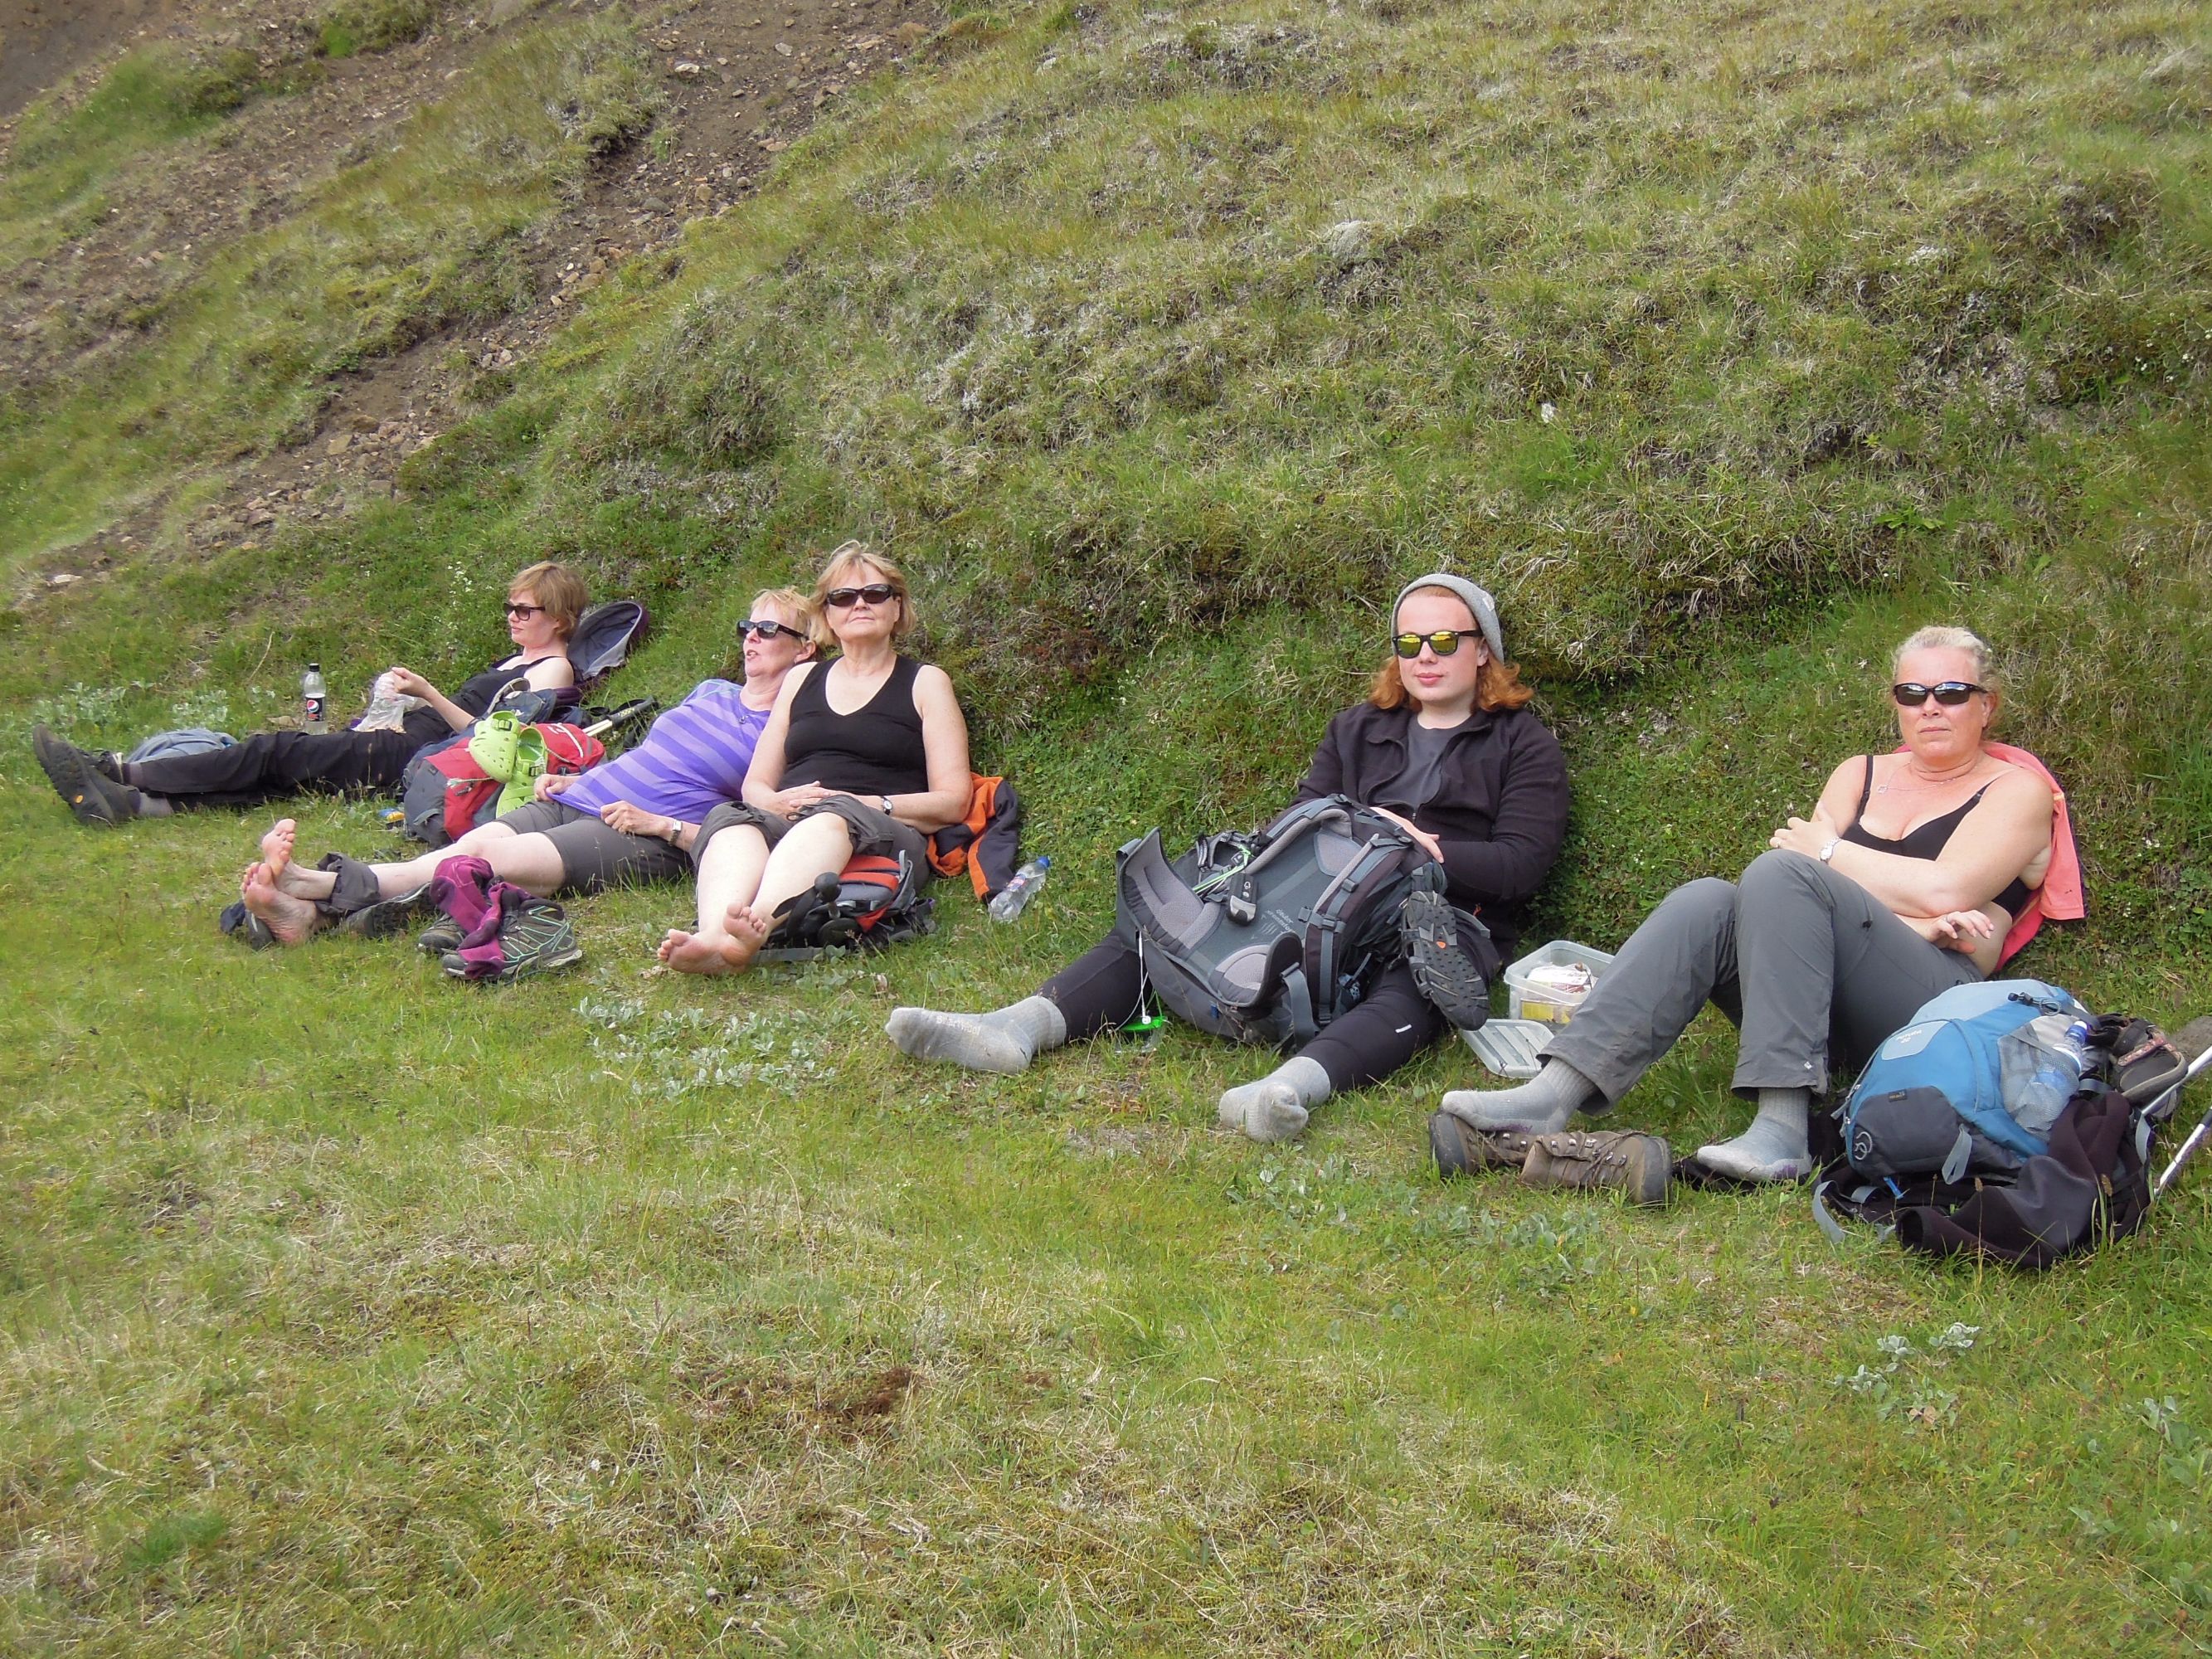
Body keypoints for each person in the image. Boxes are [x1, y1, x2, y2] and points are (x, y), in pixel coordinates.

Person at [886, 573, 1572, 1143]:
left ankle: (1283, 1090)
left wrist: (1421, 848)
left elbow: (1519, 868)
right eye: (1409, 642)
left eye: (1445, 640)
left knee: (1422, 982)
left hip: (1444, 915)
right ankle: (1015, 1028)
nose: (1425, 655)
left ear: (1482, 651)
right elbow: (1301, 820)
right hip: (1319, 893)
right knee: (1168, 926)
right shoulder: (1357, 728)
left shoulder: (1523, 745)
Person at [1437, 624, 2059, 1184]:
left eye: (1951, 692)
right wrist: (1912, 919)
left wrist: (1831, 855)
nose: (1930, 707)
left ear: (1987, 705)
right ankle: (1553, 1091)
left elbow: (1944, 889)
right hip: (1819, 1001)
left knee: (1784, 874)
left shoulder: (2017, 791)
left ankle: (1784, 1127)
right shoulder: (1860, 774)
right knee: (1708, 900)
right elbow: (1815, 891)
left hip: (1929, 1012)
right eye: (1912, 693)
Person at [236, 590, 819, 947]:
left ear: (806, 648)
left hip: (640, 830)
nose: (751, 638)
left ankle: (318, 888)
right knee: (476, 841)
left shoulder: (798, 727)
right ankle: (310, 913)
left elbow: (760, 824)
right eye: (747, 627)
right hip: (586, 792)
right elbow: (652, 755)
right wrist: (582, 778)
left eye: (768, 629)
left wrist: (668, 829)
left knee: (489, 861)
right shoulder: (713, 690)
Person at [32, 562, 585, 825]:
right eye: (510, 607)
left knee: (275, 751)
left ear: (559, 619)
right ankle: (134, 805)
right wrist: (403, 702)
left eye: (525, 610)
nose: (512, 617)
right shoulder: (515, 661)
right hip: (412, 739)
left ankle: (118, 770)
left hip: (418, 754)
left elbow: (492, 738)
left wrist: (427, 692)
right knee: (282, 780)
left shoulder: (553, 670)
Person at [657, 542, 974, 975]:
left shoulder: (925, 682)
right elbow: (755, 785)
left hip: (881, 828)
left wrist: (865, 803)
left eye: (875, 594)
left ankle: (756, 927)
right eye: (843, 597)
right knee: (733, 820)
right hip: (794, 818)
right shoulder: (801, 679)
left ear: (897, 607)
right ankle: (714, 936)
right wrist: (773, 803)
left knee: (831, 817)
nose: (859, 604)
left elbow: (954, 800)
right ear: (827, 614)